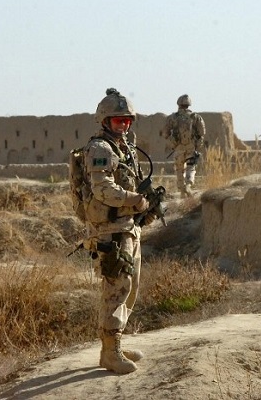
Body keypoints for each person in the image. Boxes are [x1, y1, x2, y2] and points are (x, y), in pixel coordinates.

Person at [82, 88, 157, 374]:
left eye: (127, 121)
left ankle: (115, 345)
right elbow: (103, 190)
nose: (123, 125)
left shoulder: (123, 147)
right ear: (105, 121)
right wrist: (134, 200)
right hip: (110, 231)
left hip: (128, 227)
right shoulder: (100, 149)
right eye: (118, 121)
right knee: (116, 288)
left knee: (130, 287)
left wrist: (144, 205)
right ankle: (109, 353)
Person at [163, 94, 206, 197]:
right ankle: (188, 185)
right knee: (191, 167)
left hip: (178, 148)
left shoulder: (172, 118)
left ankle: (182, 191)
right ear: (189, 105)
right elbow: (202, 132)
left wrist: (173, 142)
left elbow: (165, 133)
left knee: (179, 169)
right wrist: (197, 144)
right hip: (191, 147)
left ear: (178, 104)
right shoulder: (195, 117)